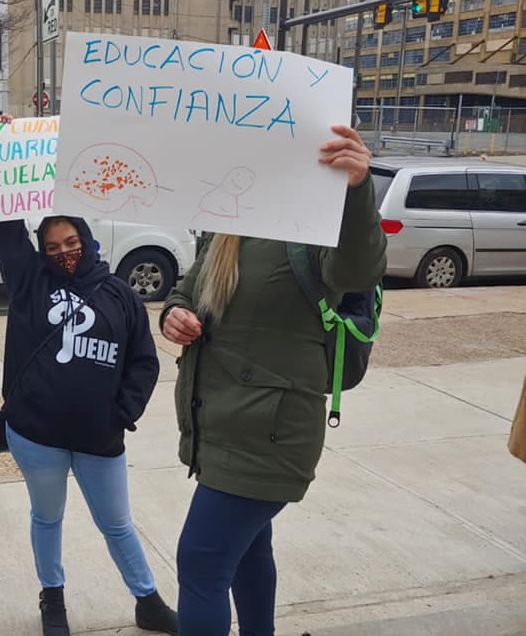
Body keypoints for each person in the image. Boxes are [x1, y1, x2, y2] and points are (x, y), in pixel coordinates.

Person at [160, 125, 387, 636]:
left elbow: (356, 270)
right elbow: (189, 289)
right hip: (220, 425)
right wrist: (173, 314)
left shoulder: (311, 215)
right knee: (246, 551)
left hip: (271, 433)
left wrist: (356, 190)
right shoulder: (231, 221)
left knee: (200, 563)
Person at [0, 211, 178, 636]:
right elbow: (5, 226)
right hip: (37, 435)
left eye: (72, 242)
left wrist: (121, 413)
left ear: (87, 239)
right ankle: (52, 598)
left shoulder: (120, 294)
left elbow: (144, 362)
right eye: (52, 247)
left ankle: (147, 600)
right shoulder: (28, 283)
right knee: (47, 517)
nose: (64, 253)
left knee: (117, 523)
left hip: (100, 438)